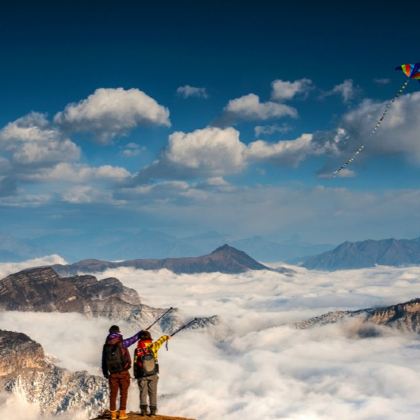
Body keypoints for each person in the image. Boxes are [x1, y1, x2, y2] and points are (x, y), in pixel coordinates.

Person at [102, 325, 143, 420]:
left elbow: (103, 361)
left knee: (113, 394)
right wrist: (140, 333)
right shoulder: (122, 343)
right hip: (124, 372)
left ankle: (113, 415)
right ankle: (122, 414)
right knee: (123, 393)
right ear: (118, 332)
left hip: (112, 373)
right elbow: (133, 339)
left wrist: (105, 373)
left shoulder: (106, 346)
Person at [133, 330, 170, 417]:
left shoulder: (137, 350)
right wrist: (167, 337)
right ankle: (153, 412)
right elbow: (160, 340)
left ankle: (143, 411)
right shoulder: (153, 346)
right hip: (153, 373)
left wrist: (136, 374)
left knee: (143, 392)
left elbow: (135, 362)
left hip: (141, 374)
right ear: (149, 337)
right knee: (153, 392)